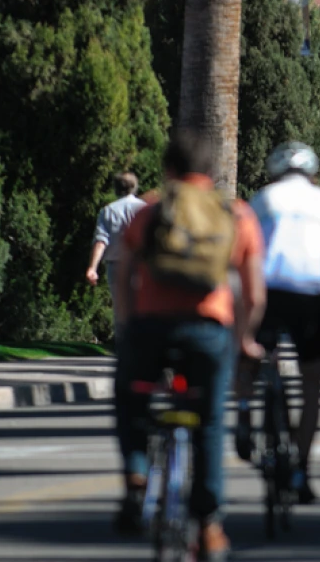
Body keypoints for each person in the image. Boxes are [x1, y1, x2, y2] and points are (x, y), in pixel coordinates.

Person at [111, 129, 266, 560]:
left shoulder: (152, 212)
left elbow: (124, 277)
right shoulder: (236, 215)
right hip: (207, 330)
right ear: (212, 172)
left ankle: (137, 473)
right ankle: (211, 526)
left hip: (151, 328)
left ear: (169, 169)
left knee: (130, 395)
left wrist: (128, 328)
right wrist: (245, 339)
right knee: (210, 420)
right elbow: (254, 294)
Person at [236, 141, 320, 504]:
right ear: (314, 173)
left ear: (274, 172)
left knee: (250, 355)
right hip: (308, 296)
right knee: (312, 385)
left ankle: (243, 412)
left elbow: (245, 254)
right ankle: (301, 468)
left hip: (268, 292)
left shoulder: (263, 199)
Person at [86, 172, 146, 340]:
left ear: (116, 188)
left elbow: (100, 241)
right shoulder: (144, 209)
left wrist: (92, 268)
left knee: (120, 310)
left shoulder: (108, 211)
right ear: (135, 187)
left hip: (117, 266)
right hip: (141, 265)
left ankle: (125, 349)